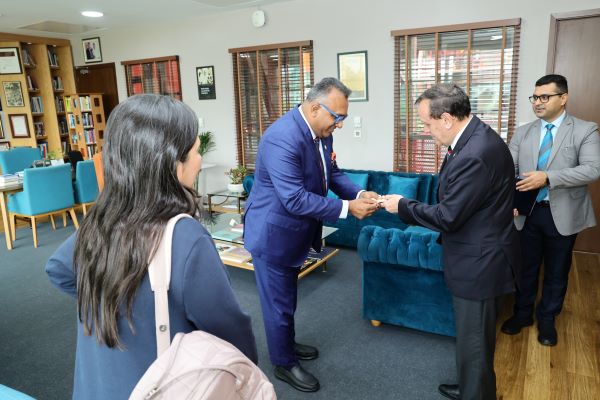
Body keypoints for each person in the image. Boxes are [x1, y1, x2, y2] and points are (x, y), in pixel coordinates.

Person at [45, 94, 257, 399]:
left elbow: (59, 269)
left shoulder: (102, 217)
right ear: (172, 163)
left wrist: (111, 302)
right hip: (159, 385)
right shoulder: (185, 236)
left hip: (96, 385)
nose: (199, 160)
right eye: (196, 150)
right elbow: (229, 331)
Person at [382, 83, 519, 400]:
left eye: (427, 124)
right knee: (473, 343)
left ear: (446, 118)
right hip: (479, 253)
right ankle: (470, 385)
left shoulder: (475, 153)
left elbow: (448, 217)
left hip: (480, 264)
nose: (425, 131)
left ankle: (476, 392)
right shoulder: (474, 137)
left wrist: (402, 205)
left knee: (476, 344)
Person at [243, 77, 379, 392]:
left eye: (344, 118)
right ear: (316, 107)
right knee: (278, 305)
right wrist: (347, 208)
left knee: (286, 299)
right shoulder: (282, 138)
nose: (340, 124)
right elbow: (294, 198)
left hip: (294, 231)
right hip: (272, 235)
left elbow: (332, 173)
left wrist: (358, 194)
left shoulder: (322, 133)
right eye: (338, 117)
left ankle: (285, 344)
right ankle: (283, 363)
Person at [500, 74, 600, 346]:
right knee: (526, 267)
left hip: (563, 212)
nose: (538, 102)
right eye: (535, 97)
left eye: (545, 97)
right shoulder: (524, 131)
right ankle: (522, 314)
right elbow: (509, 169)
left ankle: (547, 319)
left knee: (557, 270)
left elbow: (592, 169)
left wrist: (548, 177)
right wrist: (508, 200)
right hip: (527, 211)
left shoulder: (584, 130)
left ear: (563, 98)